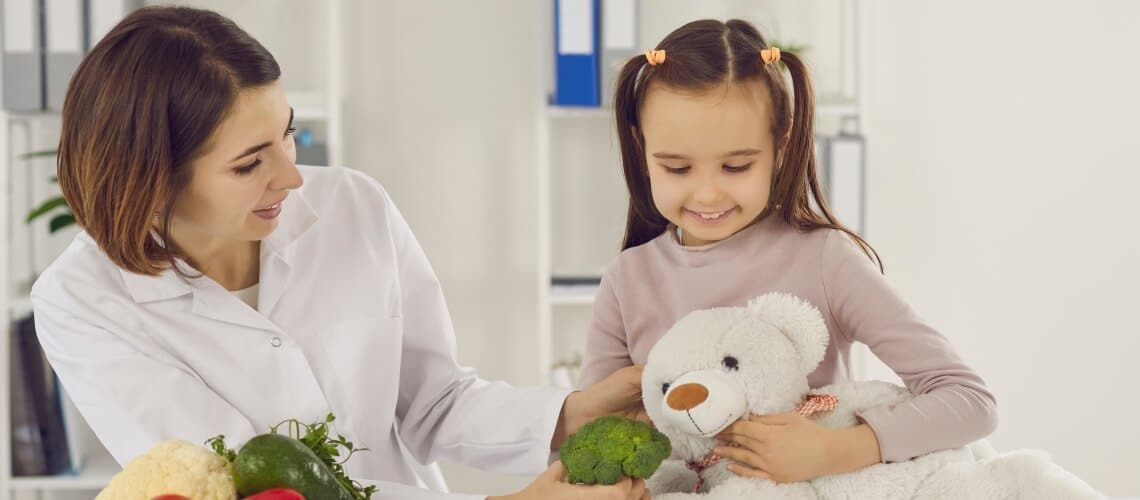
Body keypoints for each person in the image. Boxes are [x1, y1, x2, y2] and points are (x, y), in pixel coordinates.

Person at [31, 6, 648, 500]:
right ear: (153, 176)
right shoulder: (83, 303)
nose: (292, 178)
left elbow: (432, 402)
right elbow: (257, 486)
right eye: (251, 163)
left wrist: (569, 414)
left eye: (288, 135)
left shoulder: (354, 205)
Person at [578, 18, 998, 484]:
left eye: (736, 166)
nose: (708, 194)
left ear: (782, 146)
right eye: (677, 168)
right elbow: (584, 437)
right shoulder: (627, 279)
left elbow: (969, 401)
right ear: (641, 148)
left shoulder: (824, 259)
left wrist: (837, 449)